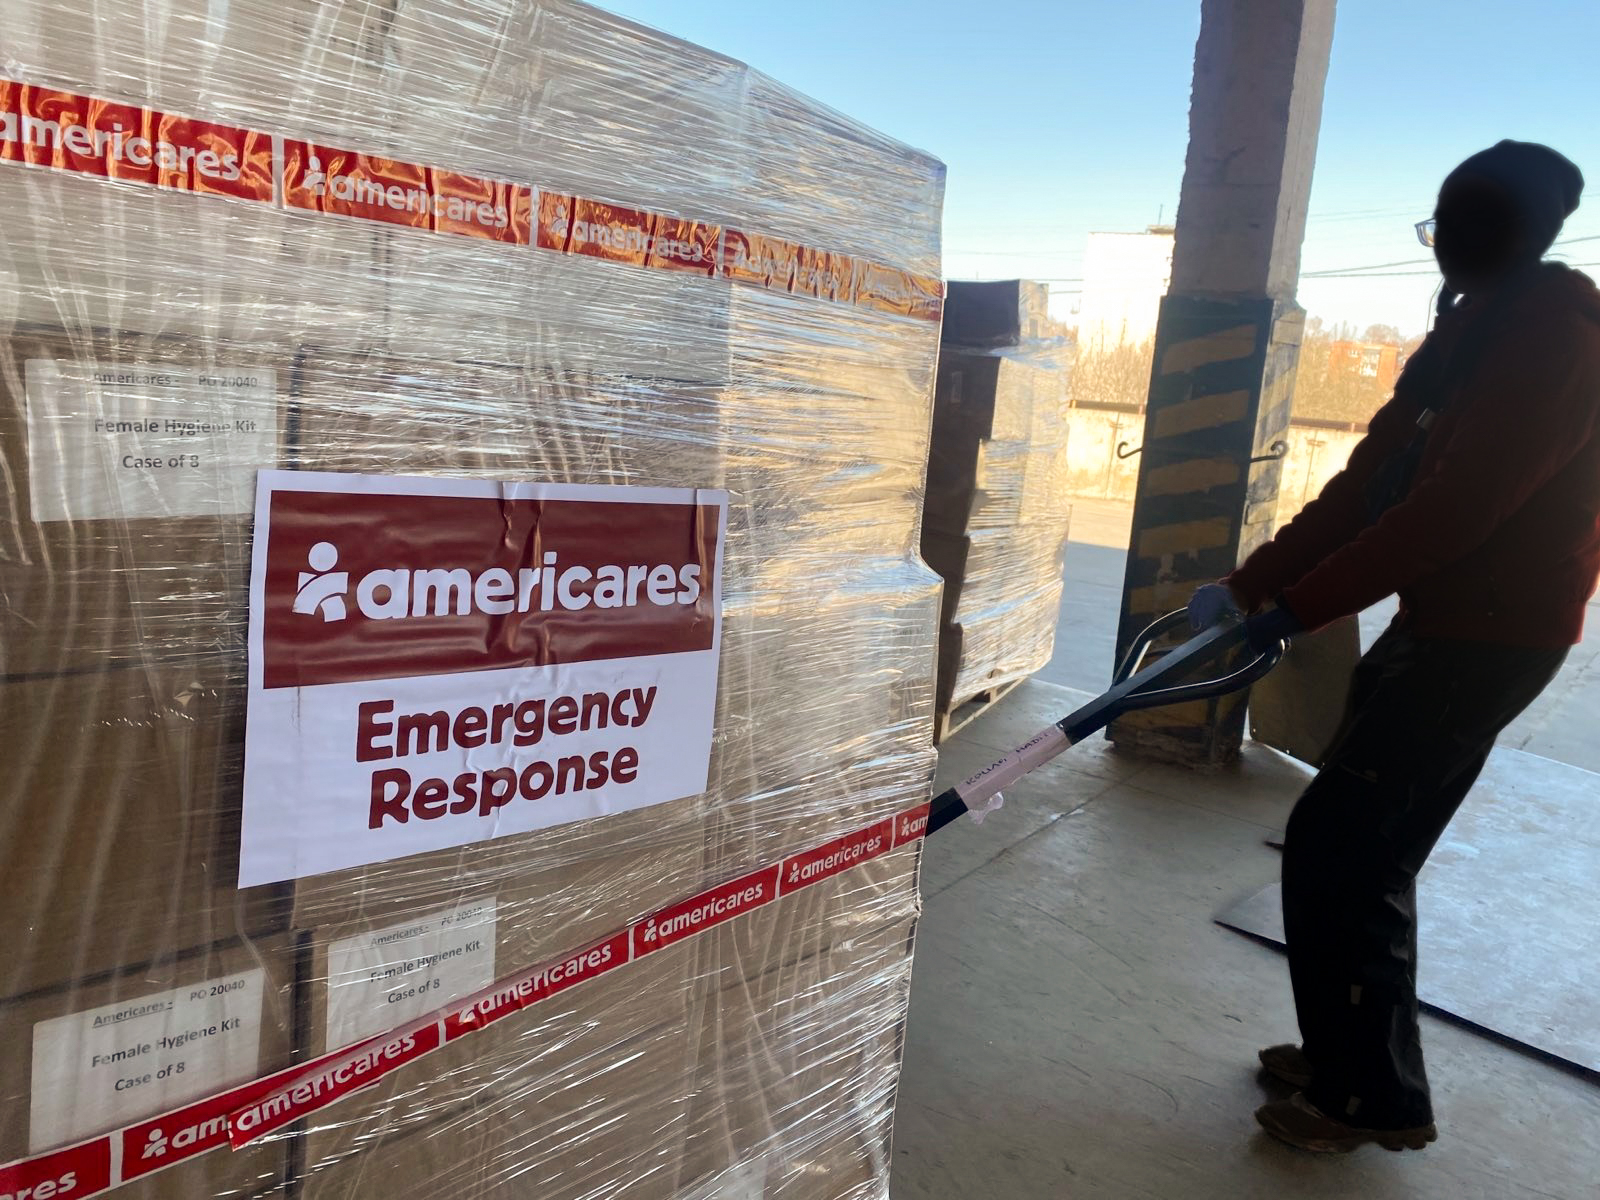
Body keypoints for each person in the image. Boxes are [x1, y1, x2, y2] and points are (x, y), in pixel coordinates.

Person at [1188, 140, 1600, 1153]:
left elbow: (1452, 510)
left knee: (1345, 849)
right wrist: (1254, 580)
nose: (1442, 246)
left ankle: (1372, 1097)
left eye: (1456, 225)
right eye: (1438, 223)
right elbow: (1374, 479)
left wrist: (1302, 607)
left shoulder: (1556, 340)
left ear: (1507, 234)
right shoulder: (1466, 330)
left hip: (1491, 638)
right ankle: (1346, 1058)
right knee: (1355, 847)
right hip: (1439, 620)